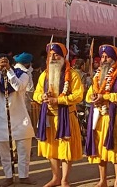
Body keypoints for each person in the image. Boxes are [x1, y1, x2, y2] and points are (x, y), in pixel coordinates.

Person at [33, 43, 84, 187]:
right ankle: (55, 178)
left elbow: (78, 95)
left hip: (66, 116)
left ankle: (64, 180)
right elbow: (36, 93)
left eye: (56, 55)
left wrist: (59, 100)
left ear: (63, 56)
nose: (53, 57)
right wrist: (42, 97)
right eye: (51, 55)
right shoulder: (45, 74)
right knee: (52, 150)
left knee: (65, 150)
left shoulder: (72, 74)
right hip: (49, 116)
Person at [84, 45, 117, 187]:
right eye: (102, 57)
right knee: (100, 151)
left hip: (115, 118)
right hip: (99, 118)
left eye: (107, 57)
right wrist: (93, 97)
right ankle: (102, 180)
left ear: (114, 59)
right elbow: (87, 96)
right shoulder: (97, 76)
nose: (104, 59)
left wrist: (105, 96)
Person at [0, 54, 36, 187]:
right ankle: (8, 176)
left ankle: (23, 176)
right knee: (4, 151)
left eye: (5, 62)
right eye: (0, 62)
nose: (3, 64)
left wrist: (9, 70)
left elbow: (18, 87)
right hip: (0, 118)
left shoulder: (23, 74)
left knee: (24, 149)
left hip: (20, 117)